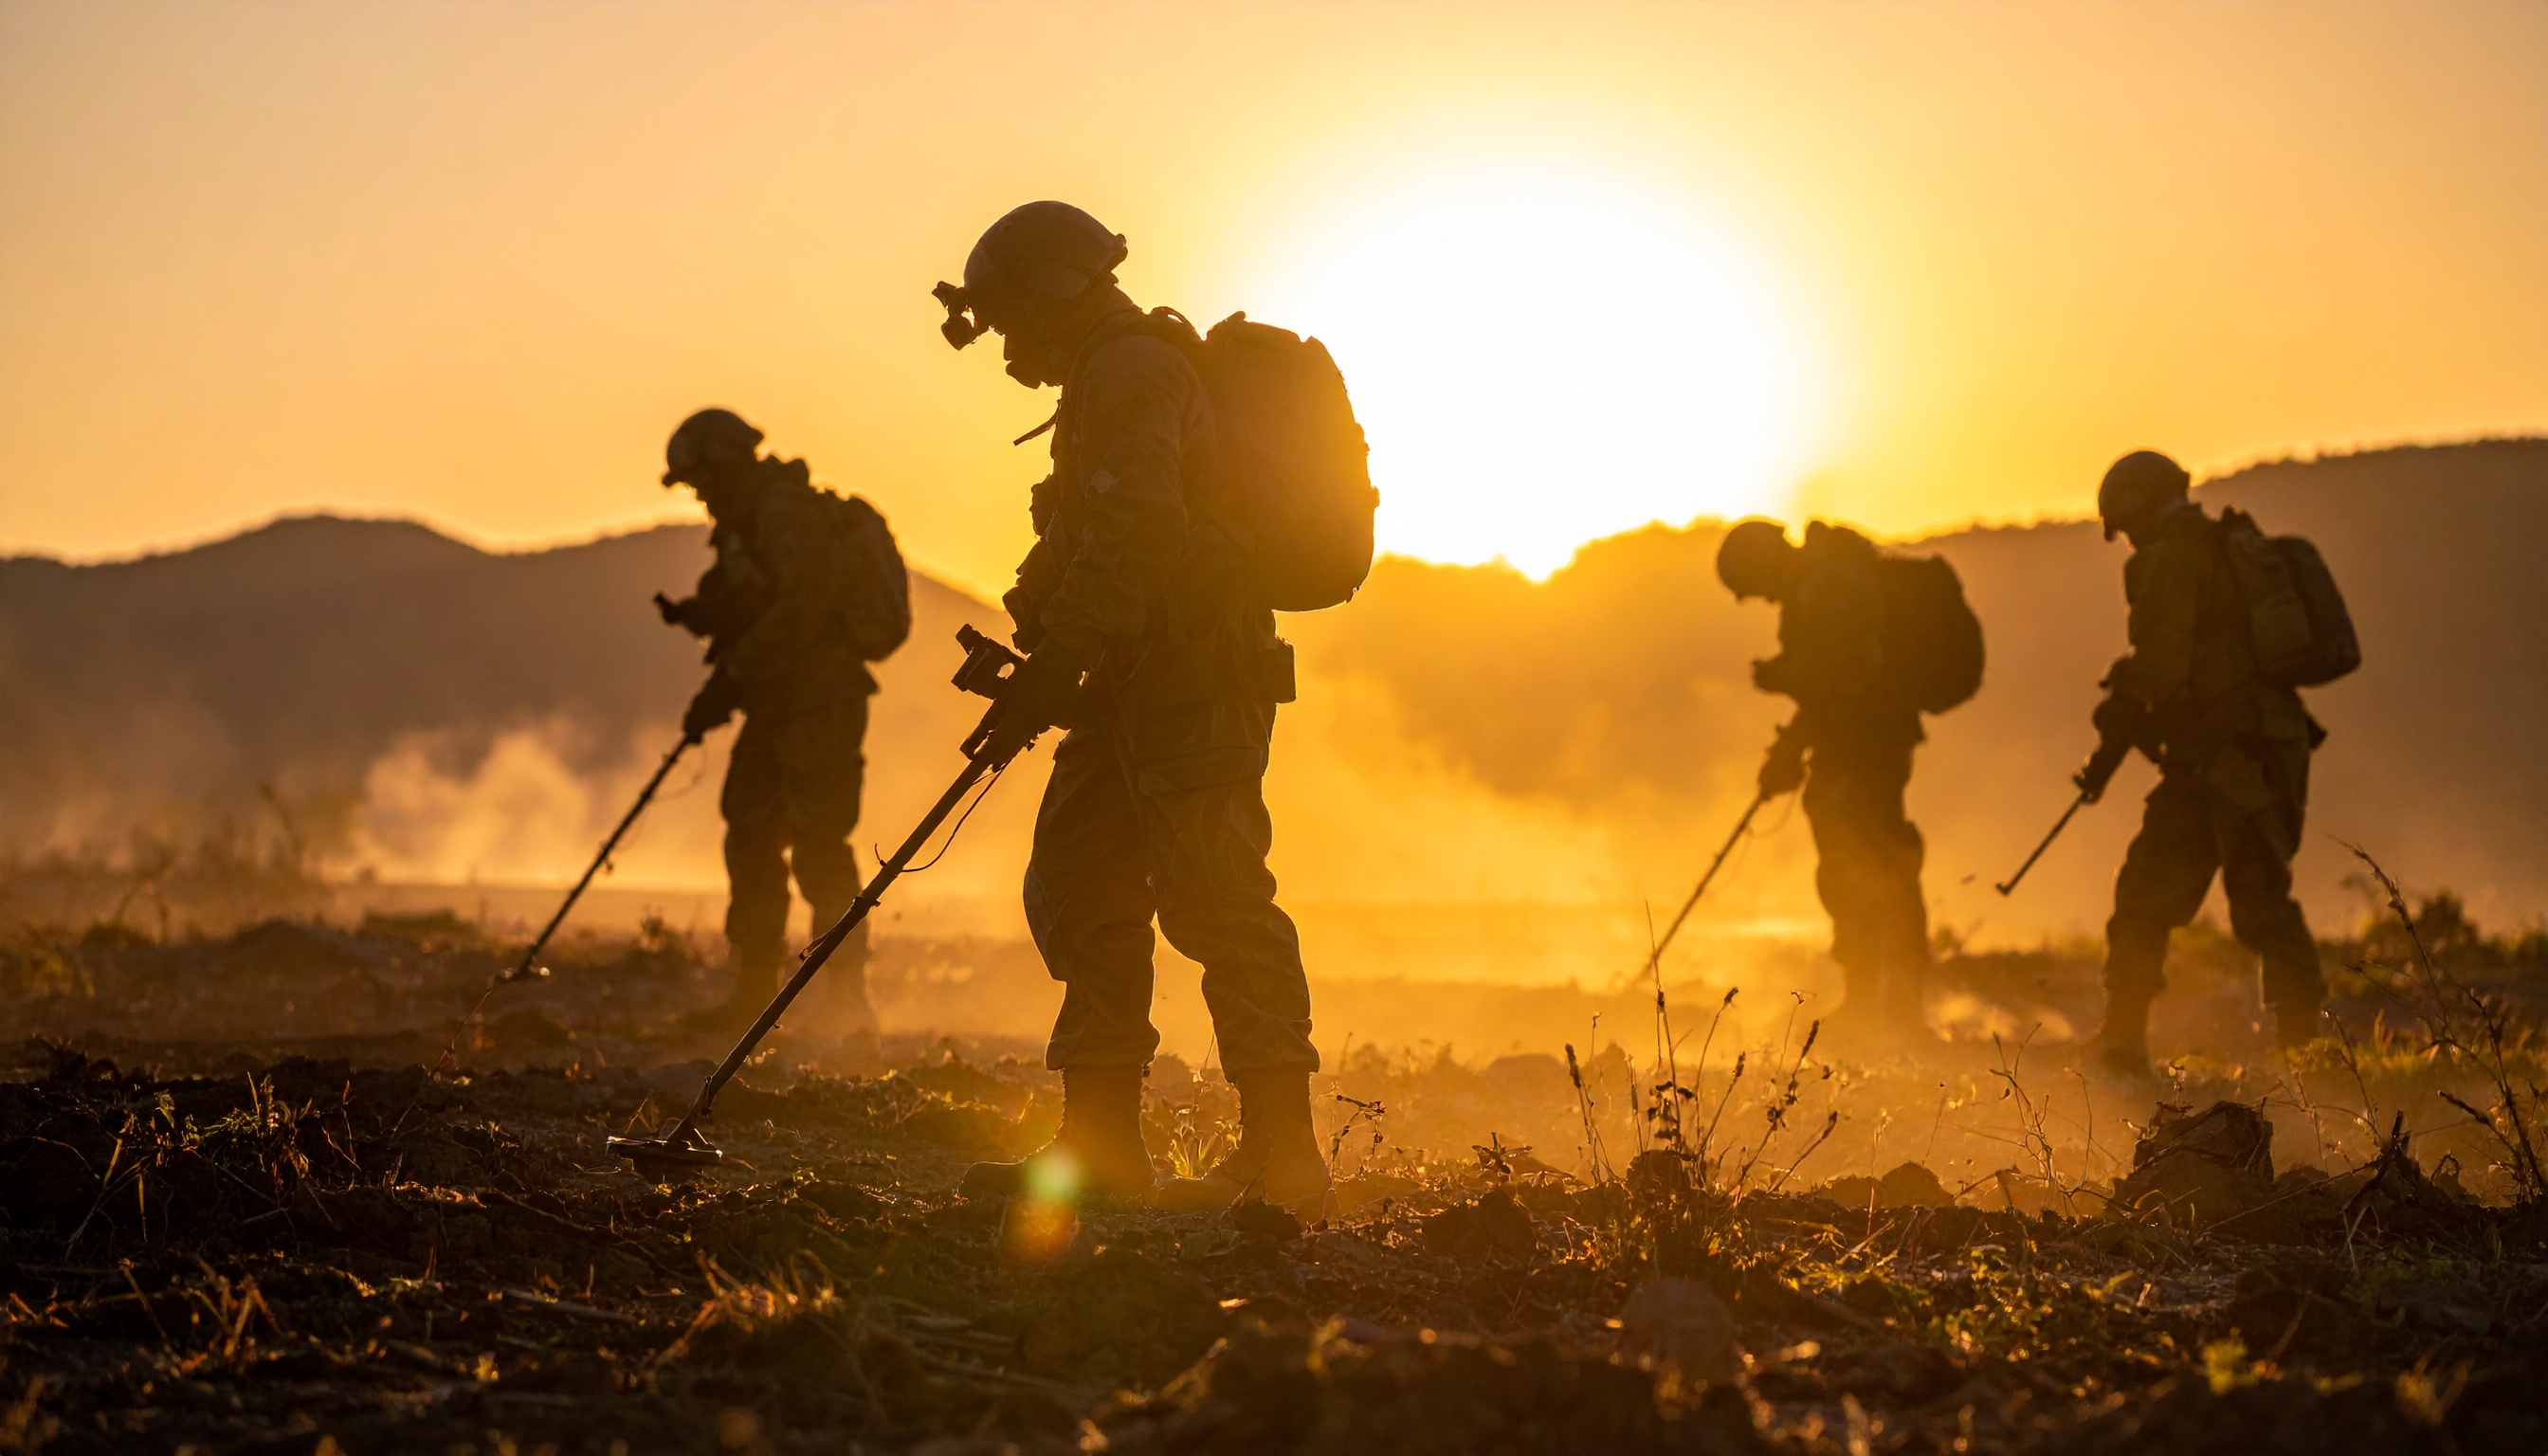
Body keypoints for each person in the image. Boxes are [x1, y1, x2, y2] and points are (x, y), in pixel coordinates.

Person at [935, 201, 1327, 1211]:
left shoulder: (1132, 372)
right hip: (1125, 684)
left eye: (1013, 319)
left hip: (1192, 685)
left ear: (1056, 293)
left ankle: (1285, 1161)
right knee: (1084, 885)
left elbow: (1138, 528)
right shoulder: (1105, 383)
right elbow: (1090, 530)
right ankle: (1103, 1146)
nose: (1010, 345)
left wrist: (1057, 659)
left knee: (1218, 901)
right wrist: (1044, 638)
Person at [656, 407, 909, 1038]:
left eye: (700, 482)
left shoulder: (783, 513)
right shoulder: (746, 523)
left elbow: (804, 607)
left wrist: (735, 677)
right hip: (774, 703)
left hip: (820, 701)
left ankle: (847, 1001)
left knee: (821, 845)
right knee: (750, 833)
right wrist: (712, 630)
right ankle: (753, 993)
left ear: (723, 465)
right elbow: (752, 607)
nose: (700, 497)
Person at [2077, 450, 2325, 1073]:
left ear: (2137, 508)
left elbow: (2159, 667)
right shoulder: (2218, 548)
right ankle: (2300, 1054)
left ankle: (2127, 1045)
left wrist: (2119, 712)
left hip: (2237, 757)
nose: (2126, 540)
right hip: (2234, 754)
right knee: (2229, 897)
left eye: (2125, 524)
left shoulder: (2169, 559)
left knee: (2219, 900)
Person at [1717, 519, 1935, 1036]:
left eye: (1754, 586)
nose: (1762, 599)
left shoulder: (1830, 582)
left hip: (1867, 751)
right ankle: (1876, 1002)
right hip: (1852, 746)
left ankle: (1894, 1009)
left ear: (1761, 562)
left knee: (1870, 868)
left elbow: (1852, 671)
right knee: (1852, 868)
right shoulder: (1816, 584)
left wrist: (1787, 677)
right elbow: (1827, 692)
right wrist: (1789, 748)